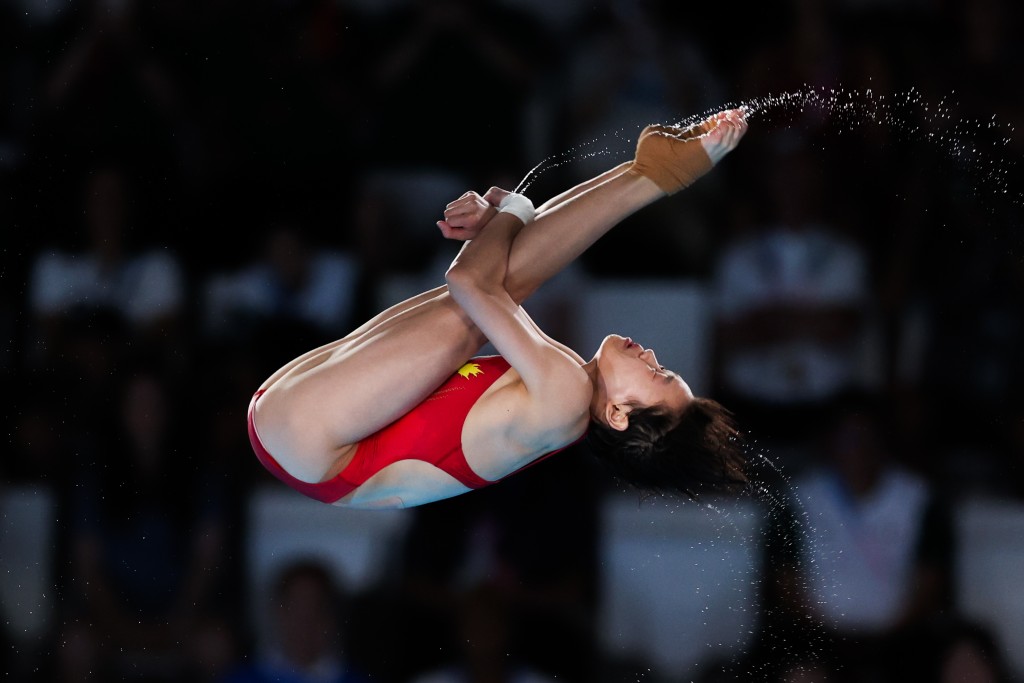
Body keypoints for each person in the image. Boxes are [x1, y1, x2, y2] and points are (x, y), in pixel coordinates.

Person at [247, 108, 750, 510]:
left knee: (469, 315)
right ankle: (648, 174)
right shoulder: (567, 390)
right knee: (501, 289)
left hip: (311, 441)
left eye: (657, 375)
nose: (652, 356)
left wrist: (513, 209)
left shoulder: (566, 396)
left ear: (618, 415)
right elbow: (491, 280)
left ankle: (651, 177)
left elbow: (467, 281)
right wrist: (505, 218)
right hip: (302, 434)